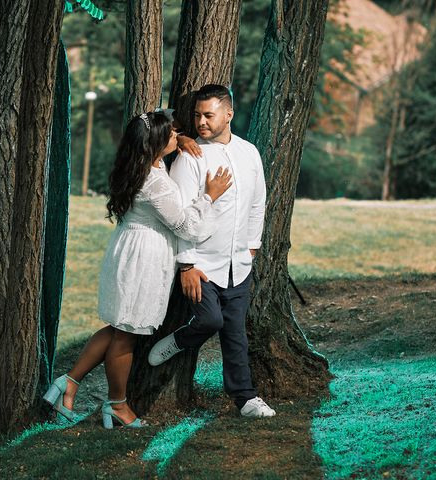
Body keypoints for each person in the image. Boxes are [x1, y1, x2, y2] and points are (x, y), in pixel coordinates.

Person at [43, 110, 233, 428]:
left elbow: (164, 143)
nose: (178, 134)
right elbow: (186, 226)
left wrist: (180, 141)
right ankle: (117, 404)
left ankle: (69, 382)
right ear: (156, 143)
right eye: (172, 133)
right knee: (127, 336)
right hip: (144, 259)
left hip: (130, 250)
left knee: (121, 327)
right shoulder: (153, 181)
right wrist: (209, 198)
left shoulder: (145, 164)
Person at [148, 84, 276, 418]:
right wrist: (187, 264)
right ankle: (179, 340)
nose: (201, 121)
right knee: (210, 319)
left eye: (209, 114)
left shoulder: (250, 153)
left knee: (236, 333)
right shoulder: (191, 158)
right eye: (197, 115)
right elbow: (180, 216)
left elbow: (258, 202)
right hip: (201, 263)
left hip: (239, 262)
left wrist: (252, 246)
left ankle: (246, 398)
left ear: (228, 114)